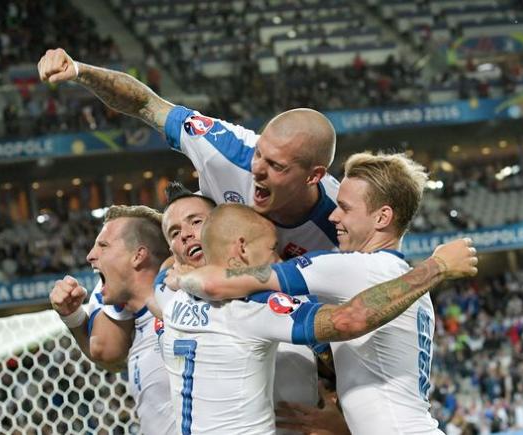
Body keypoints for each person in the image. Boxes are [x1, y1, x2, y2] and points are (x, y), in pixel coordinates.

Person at [167, 152, 476, 434]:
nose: (332, 217)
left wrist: (185, 277)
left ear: (382, 218)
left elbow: (218, 284)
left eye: (344, 208)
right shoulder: (404, 283)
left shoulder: (352, 268)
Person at [37, 48, 339, 258]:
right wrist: (79, 70)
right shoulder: (227, 149)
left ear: (314, 176)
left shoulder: (342, 218)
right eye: (260, 153)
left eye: (276, 166)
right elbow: (146, 104)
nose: (257, 169)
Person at [156, 182, 325, 434]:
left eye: (195, 221)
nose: (186, 234)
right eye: (174, 232)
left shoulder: (284, 289)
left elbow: (338, 359)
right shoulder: (170, 293)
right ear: (172, 249)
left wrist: (341, 417)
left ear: (222, 225)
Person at [49, 205, 175, 435]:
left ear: (138, 256)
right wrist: (74, 318)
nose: (90, 255)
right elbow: (107, 355)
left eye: (103, 245)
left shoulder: (185, 310)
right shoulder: (137, 324)